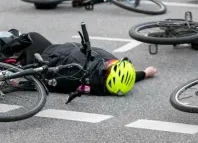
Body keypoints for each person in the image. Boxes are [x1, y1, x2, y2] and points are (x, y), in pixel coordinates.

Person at [0, 31, 157, 96]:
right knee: (15, 37)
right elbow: (127, 78)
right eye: (114, 64)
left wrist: (17, 84)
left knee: (27, 37)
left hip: (44, 56)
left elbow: (48, 84)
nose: (110, 63)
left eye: (110, 67)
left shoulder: (77, 80)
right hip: (58, 49)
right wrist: (145, 73)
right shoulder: (114, 83)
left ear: (107, 76)